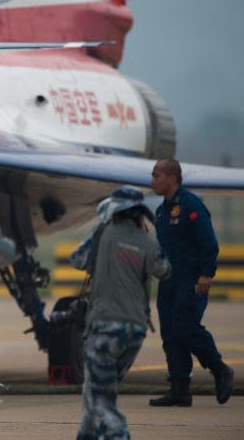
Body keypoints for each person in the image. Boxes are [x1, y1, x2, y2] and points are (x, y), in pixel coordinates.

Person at [72, 186, 171, 440]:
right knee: (94, 393)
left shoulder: (103, 235)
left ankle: (120, 435)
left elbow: (78, 260)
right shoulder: (148, 241)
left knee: (101, 400)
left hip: (104, 329)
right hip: (135, 331)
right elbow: (165, 270)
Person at [149, 159, 234, 407]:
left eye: (157, 175)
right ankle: (180, 390)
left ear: (172, 178)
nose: (152, 181)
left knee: (186, 327)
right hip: (168, 281)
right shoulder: (161, 211)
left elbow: (208, 243)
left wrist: (206, 274)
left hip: (191, 280)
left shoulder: (191, 205)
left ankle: (220, 370)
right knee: (170, 334)